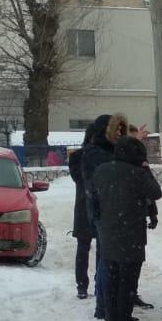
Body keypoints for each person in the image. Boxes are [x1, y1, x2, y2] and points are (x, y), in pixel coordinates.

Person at [91, 134, 162, 321]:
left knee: (113, 280)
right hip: (131, 234)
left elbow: (94, 198)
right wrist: (146, 169)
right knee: (128, 282)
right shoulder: (137, 173)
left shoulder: (102, 171)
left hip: (108, 232)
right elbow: (156, 192)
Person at [66, 118, 106, 300]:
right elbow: (81, 179)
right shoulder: (80, 157)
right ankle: (83, 284)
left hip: (89, 205)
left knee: (93, 248)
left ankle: (95, 283)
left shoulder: (82, 157)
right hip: (86, 206)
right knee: (86, 247)